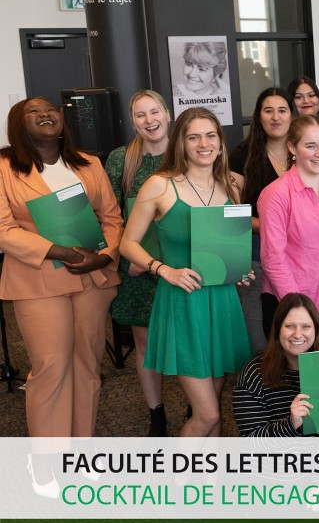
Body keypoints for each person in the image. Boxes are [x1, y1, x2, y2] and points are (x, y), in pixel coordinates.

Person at [121, 107, 251, 437]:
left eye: (210, 136)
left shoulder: (232, 186)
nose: (204, 144)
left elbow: (225, 246)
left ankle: (209, 471)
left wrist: (237, 269)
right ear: (181, 143)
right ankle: (175, 469)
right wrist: (163, 269)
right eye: (194, 137)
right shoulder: (160, 186)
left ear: (220, 142)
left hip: (221, 303)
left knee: (215, 411)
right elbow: (128, 244)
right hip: (182, 303)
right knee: (206, 414)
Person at [0, 98, 123, 448]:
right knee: (51, 368)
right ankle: (48, 460)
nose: (45, 114)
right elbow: (4, 229)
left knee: (87, 366)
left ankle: (80, 452)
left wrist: (104, 256)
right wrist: (60, 251)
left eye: (50, 109)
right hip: (37, 279)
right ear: (18, 124)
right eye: (33, 111)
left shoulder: (88, 163)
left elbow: (111, 218)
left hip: (91, 277)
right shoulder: (4, 166)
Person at [104, 90, 172, 435]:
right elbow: (111, 216)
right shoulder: (121, 159)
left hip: (181, 268)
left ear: (167, 113)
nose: (149, 120)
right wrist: (129, 258)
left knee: (184, 342)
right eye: (140, 114)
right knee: (145, 346)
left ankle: (197, 408)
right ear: (133, 121)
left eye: (154, 111)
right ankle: (156, 415)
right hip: (135, 270)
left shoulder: (186, 151)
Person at [258, 114, 319, 347]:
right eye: (310, 146)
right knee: (290, 371)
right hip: (287, 304)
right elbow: (273, 258)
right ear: (292, 147)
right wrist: (297, 307)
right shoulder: (276, 194)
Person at [228, 87, 294, 352]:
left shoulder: (303, 151)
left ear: (292, 115)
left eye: (282, 110)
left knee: (295, 326)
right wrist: (277, 228)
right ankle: (261, 378)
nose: (276, 117)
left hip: (300, 254)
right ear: (259, 116)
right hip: (256, 254)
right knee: (258, 335)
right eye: (269, 111)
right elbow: (235, 213)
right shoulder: (242, 155)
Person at [232, 293, 319, 437]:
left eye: (306, 326)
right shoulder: (253, 373)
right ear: (277, 329)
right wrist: (291, 424)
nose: (298, 334)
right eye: (289, 326)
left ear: (316, 330)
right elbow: (250, 441)